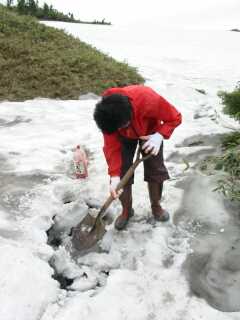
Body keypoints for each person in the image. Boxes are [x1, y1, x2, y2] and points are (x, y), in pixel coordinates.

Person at [93, 85, 182, 230]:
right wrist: (115, 176)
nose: (122, 127)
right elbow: (111, 148)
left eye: (123, 125)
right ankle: (126, 211)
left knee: (156, 169)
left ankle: (156, 206)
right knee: (122, 174)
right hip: (125, 138)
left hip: (150, 133)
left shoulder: (148, 99)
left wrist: (159, 135)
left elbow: (175, 117)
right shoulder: (108, 117)